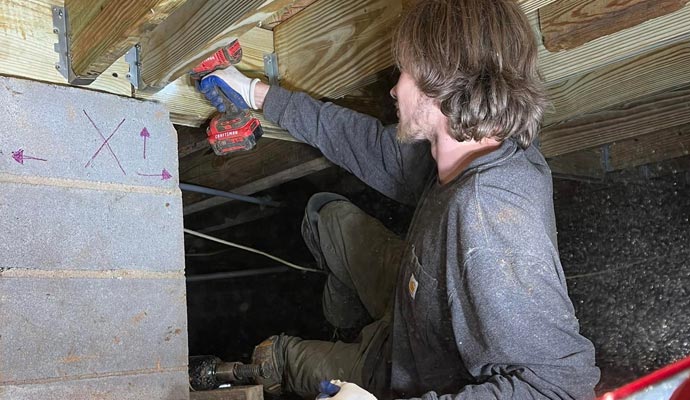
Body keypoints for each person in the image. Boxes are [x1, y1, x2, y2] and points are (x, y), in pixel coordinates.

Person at [198, 0, 601, 398]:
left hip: (402, 373)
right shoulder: (475, 147)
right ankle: (347, 324)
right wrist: (257, 93)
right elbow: (371, 147)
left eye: (404, 71)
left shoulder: (488, 214)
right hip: (413, 300)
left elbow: (557, 389)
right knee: (324, 215)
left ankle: (335, 352)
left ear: (439, 80)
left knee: (278, 356)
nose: (394, 87)